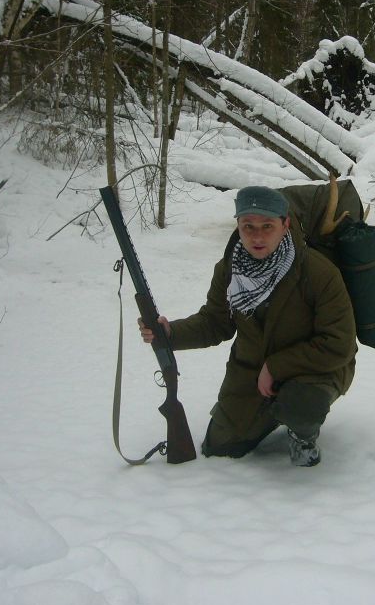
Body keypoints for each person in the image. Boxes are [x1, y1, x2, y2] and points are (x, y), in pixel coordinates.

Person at [139, 186, 357, 466]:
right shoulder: (231, 269)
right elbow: (215, 322)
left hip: (317, 368)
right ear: (238, 225)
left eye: (268, 226)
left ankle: (302, 435)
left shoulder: (319, 273)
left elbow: (339, 344)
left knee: (301, 404)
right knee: (221, 447)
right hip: (252, 371)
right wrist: (171, 333)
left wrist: (277, 367)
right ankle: (267, 413)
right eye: (248, 226)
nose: (257, 236)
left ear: (285, 224)